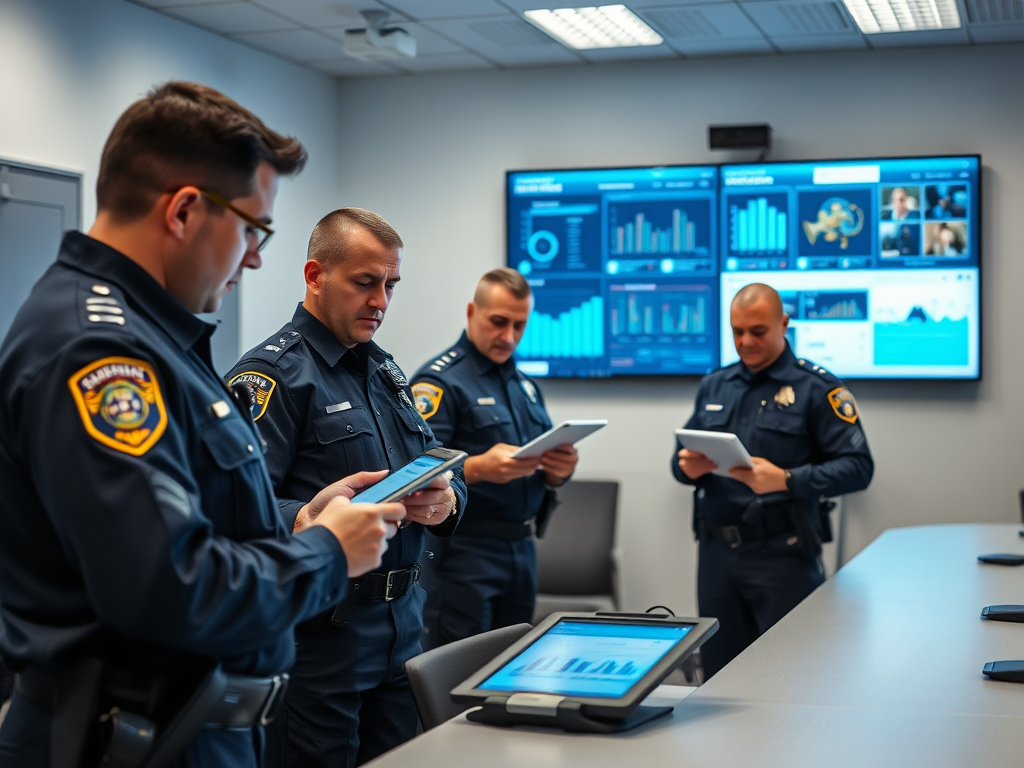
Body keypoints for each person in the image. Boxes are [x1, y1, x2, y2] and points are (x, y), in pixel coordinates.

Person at [0, 83, 406, 767]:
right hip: (127, 738)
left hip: (184, 729)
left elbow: (197, 525)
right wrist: (328, 553)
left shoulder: (153, 339)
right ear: (186, 211)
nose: (254, 256)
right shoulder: (98, 354)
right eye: (253, 229)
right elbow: (169, 587)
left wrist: (300, 519)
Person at [226, 208, 468, 768]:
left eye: (391, 285)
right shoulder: (271, 376)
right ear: (315, 277)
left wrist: (446, 500)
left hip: (403, 627)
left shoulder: (385, 371)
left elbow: (440, 469)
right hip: (321, 639)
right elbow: (236, 507)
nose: (381, 301)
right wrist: (303, 516)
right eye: (366, 283)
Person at [671, 283, 873, 679]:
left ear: (784, 323)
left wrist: (786, 479)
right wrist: (685, 468)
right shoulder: (715, 384)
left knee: (791, 678)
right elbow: (679, 464)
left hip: (783, 556)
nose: (745, 342)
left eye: (758, 331)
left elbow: (859, 468)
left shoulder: (818, 387)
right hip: (716, 556)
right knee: (718, 675)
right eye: (737, 331)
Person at [410, 268, 579, 650]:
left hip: (522, 547)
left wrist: (559, 473)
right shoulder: (439, 382)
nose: (509, 337)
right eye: (499, 322)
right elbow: (418, 472)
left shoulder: (526, 386)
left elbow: (545, 459)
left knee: (513, 666)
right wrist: (480, 468)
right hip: (466, 551)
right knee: (461, 671)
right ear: (472, 312)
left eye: (520, 325)